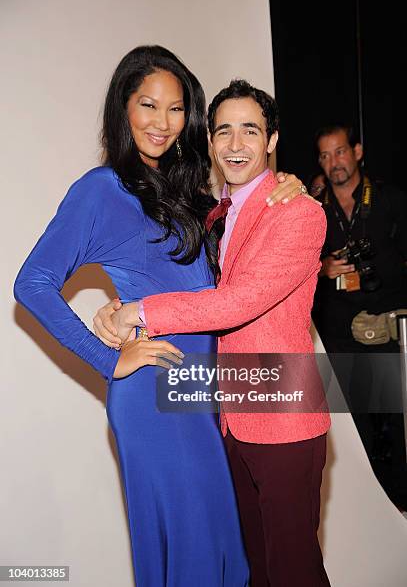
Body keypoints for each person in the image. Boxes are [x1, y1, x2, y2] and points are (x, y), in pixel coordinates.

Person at [13, 46, 303, 586]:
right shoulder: (100, 189)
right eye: (148, 105)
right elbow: (32, 284)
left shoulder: (189, 192)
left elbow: (222, 282)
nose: (162, 123)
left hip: (203, 396)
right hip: (152, 396)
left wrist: (287, 184)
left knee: (225, 555)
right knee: (193, 555)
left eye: (176, 110)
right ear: (124, 108)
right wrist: (106, 359)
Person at [94, 80, 331, 587]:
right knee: (256, 570)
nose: (235, 143)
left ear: (271, 141)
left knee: (294, 571)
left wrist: (138, 312)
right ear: (209, 142)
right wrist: (115, 304)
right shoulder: (211, 213)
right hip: (229, 419)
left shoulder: (299, 212)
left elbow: (238, 302)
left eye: (250, 130)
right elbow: (179, 279)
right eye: (223, 131)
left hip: (284, 420)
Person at [311, 123, 407, 508]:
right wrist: (322, 268)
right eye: (325, 155)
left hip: (388, 331)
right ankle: (372, 510)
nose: (333, 162)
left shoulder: (390, 199)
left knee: (398, 425)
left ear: (357, 152)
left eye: (340, 152)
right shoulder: (313, 210)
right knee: (357, 431)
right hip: (341, 336)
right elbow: (293, 268)